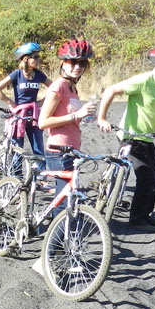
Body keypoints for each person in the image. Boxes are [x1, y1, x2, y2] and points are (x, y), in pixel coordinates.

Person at [97, 45, 155, 232]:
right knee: (145, 176)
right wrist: (102, 118)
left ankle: (145, 215)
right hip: (130, 136)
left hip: (146, 138)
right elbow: (111, 91)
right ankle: (137, 219)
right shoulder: (143, 80)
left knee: (153, 177)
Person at [37, 39, 97, 200]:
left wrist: (87, 116)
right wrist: (76, 115)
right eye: (73, 62)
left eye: (82, 63)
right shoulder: (58, 87)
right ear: (63, 64)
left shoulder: (72, 88)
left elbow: (71, 118)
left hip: (72, 149)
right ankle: (58, 225)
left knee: (68, 197)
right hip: (58, 151)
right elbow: (43, 122)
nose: (77, 67)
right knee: (64, 200)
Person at [0, 42, 49, 172]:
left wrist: (42, 102)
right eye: (36, 56)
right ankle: (17, 179)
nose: (39, 59)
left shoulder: (39, 75)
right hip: (18, 116)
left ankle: (41, 177)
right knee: (18, 149)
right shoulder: (17, 74)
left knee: (39, 149)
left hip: (34, 115)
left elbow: (55, 89)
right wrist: (11, 104)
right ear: (26, 59)